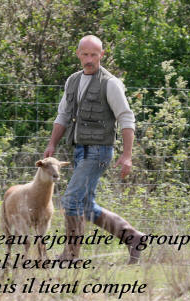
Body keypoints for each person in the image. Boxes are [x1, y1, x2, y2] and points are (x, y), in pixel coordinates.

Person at [43, 35, 144, 264]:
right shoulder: (73, 81)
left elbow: (127, 118)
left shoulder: (110, 83)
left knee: (71, 200)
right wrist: (52, 144)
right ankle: (133, 238)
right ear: (78, 54)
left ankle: (70, 256)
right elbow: (63, 116)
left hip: (99, 152)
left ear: (102, 55)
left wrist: (127, 155)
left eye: (94, 55)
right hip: (79, 151)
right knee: (86, 207)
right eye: (85, 54)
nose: (89, 59)